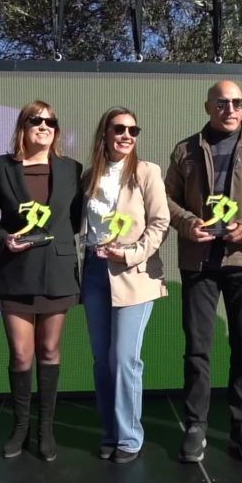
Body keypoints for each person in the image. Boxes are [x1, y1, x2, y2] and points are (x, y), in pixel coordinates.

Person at [165, 80, 242, 463]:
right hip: (199, 260)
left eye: (237, 102)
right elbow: (165, 199)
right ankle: (195, 427)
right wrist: (188, 223)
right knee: (198, 350)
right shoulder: (185, 149)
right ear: (208, 107)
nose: (231, 109)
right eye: (222, 102)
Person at [0, 101, 83, 462]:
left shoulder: (72, 170)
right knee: (22, 354)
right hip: (14, 272)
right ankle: (20, 427)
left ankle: (45, 429)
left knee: (50, 351)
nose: (44, 126)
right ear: (22, 126)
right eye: (36, 120)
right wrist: (4, 238)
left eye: (50, 121)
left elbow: (76, 220)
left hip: (57, 272)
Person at [81, 107, 169, 464]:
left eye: (134, 129)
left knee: (124, 359)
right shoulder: (89, 176)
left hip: (134, 275)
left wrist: (131, 253)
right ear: (105, 133)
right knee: (102, 360)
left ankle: (130, 438)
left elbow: (160, 223)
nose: (127, 135)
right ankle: (110, 432)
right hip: (94, 273)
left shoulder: (148, 172)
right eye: (120, 129)